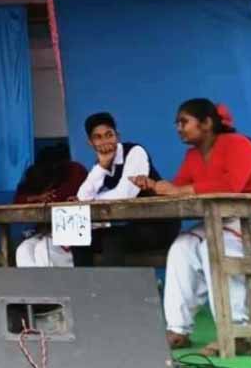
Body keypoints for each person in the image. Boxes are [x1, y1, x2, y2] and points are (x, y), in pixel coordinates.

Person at [130, 99, 251, 355]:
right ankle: (178, 329)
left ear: (206, 123)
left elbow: (231, 186)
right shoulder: (192, 155)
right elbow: (178, 189)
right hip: (229, 220)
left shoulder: (238, 144)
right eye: (177, 123)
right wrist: (155, 187)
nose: (179, 128)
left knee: (217, 248)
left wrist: (179, 190)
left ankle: (238, 332)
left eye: (184, 122)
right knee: (183, 246)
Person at [73, 112, 179, 266]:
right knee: (79, 240)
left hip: (158, 226)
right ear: (90, 143)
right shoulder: (100, 165)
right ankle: (86, 282)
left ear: (118, 136)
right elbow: (82, 198)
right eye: (98, 137)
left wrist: (93, 199)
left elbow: (124, 195)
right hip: (131, 226)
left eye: (109, 135)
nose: (105, 141)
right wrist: (102, 166)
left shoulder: (135, 152)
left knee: (112, 239)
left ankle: (115, 283)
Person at [13, 143, 89, 268]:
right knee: (23, 250)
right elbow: (17, 201)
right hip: (44, 232)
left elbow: (56, 198)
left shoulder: (75, 171)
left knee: (43, 249)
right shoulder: (35, 173)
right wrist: (37, 198)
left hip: (71, 234)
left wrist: (41, 199)